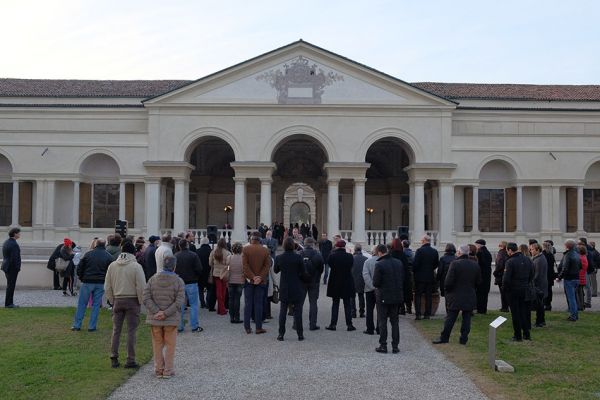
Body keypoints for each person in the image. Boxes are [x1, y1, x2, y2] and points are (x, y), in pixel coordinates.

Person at [104, 240, 146, 368]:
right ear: (133, 252)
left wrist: (112, 300)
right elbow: (141, 286)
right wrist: (140, 301)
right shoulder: (136, 266)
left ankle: (114, 357)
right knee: (131, 331)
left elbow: (107, 286)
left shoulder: (112, 265)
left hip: (117, 299)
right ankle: (130, 359)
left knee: (116, 330)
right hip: (132, 300)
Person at [143, 255, 185, 379]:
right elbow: (179, 301)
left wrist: (157, 312)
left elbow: (145, 297)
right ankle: (167, 370)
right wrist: (165, 313)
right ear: (174, 266)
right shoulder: (178, 281)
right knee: (170, 345)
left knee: (157, 344)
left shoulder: (152, 279)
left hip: (156, 318)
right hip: (170, 318)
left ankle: (158, 369)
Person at [432, 245, 481, 345]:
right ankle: (463, 339)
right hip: (469, 294)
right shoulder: (475, 264)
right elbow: (479, 281)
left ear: (459, 253)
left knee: (451, 317)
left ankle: (444, 337)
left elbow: (448, 281)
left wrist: (448, 291)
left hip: (455, 294)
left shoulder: (455, 264)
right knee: (466, 318)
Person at [72, 238, 113, 331]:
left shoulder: (88, 254)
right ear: (105, 244)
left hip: (87, 281)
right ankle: (92, 326)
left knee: (82, 303)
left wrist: (82, 278)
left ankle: (77, 325)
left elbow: (80, 268)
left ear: (96, 244)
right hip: (100, 282)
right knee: (96, 305)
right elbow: (110, 272)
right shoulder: (108, 256)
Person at [372, 244, 405, 354]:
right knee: (395, 322)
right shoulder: (398, 263)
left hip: (383, 296)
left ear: (380, 252)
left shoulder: (379, 264)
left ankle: (383, 345)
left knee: (382, 321)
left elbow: (376, 282)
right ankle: (395, 346)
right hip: (396, 296)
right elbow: (402, 278)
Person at [274, 237, 306, 341]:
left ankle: (281, 334)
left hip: (284, 287)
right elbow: (303, 272)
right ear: (293, 245)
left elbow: (276, 270)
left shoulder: (279, 257)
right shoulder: (298, 257)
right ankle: (300, 334)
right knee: (298, 312)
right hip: (296, 286)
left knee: (283, 311)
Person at [503, 242, 534, 341]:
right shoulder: (527, 259)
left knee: (515, 314)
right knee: (523, 312)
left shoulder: (510, 261)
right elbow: (532, 274)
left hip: (513, 290)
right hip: (524, 288)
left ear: (510, 250)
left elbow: (506, 279)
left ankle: (517, 335)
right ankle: (526, 334)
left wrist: (505, 289)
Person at [242, 234, 271, 334]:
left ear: (251, 240)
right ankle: (258, 327)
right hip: (261, 281)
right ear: (260, 240)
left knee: (248, 304)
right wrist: (259, 277)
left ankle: (247, 327)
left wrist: (253, 277)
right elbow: (267, 266)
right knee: (259, 304)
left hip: (249, 281)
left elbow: (244, 266)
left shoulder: (245, 249)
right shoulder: (265, 250)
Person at [326, 240, 356, 331]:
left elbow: (330, 265)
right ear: (344, 247)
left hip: (335, 281)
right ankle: (349, 324)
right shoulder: (350, 256)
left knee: (335, 304)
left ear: (337, 247)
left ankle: (333, 324)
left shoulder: (332, 256)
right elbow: (351, 266)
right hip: (346, 281)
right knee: (347, 304)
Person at [174, 239, 203, 332]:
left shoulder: (176, 256)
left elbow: (173, 269)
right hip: (191, 282)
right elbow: (199, 269)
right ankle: (194, 326)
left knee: (180, 306)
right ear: (187, 245)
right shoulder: (193, 255)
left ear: (179, 246)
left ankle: (179, 326)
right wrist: (196, 276)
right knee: (194, 305)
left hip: (180, 283)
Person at [299, 237, 324, 330]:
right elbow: (321, 268)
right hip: (314, 281)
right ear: (313, 244)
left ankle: (296, 323)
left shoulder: (300, 253)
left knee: (299, 303)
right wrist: (317, 276)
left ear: (304, 244)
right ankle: (312, 324)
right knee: (313, 303)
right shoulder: (318, 254)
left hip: (302, 281)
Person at [413, 235, 439, 320]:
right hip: (430, 276)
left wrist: (415, 271)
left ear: (424, 241)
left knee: (418, 295)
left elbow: (415, 264)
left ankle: (418, 314)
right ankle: (427, 314)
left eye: (421, 240)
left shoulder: (419, 251)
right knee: (428, 296)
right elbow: (436, 264)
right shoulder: (434, 251)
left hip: (419, 277)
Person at [557, 239, 582, 321]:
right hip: (576, 278)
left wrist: (559, 277)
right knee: (574, 298)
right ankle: (575, 314)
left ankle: (573, 316)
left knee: (571, 298)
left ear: (566, 246)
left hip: (570, 279)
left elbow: (565, 269)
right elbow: (580, 266)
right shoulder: (577, 254)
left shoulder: (568, 255)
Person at [209, 238, 231, 316]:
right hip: (224, 274)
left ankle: (220, 308)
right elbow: (229, 265)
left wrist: (215, 266)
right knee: (223, 291)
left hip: (216, 274)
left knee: (218, 291)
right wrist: (227, 270)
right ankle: (222, 309)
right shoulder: (228, 253)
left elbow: (210, 263)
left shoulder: (213, 251)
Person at [529, 242, 548, 327]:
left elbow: (537, 275)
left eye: (532, 249)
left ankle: (540, 322)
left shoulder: (539, 259)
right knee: (540, 305)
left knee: (540, 305)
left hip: (539, 286)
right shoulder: (538, 258)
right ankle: (540, 321)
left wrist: (532, 284)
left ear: (538, 250)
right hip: (540, 285)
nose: (531, 251)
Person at [2, 227, 21, 308]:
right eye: (18, 233)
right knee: (11, 286)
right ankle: (9, 304)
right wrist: (17, 267)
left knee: (9, 285)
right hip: (11, 267)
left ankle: (8, 303)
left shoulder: (6, 242)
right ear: (15, 234)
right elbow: (15, 257)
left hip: (6, 266)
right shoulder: (14, 244)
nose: (19, 234)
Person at [362, 246, 378, 335]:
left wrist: (371, 286)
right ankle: (379, 328)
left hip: (369, 289)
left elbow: (365, 275)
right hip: (380, 289)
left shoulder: (367, 262)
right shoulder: (382, 261)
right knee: (380, 310)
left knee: (369, 310)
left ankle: (370, 328)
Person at [226, 242, 245, 324]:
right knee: (237, 299)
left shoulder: (229, 257)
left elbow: (227, 269)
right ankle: (236, 317)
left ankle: (231, 317)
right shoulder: (243, 258)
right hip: (240, 280)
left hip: (230, 280)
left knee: (231, 299)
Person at [474, 239, 492, 314]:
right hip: (487, 276)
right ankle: (483, 309)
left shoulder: (479, 253)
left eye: (476, 245)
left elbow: (478, 265)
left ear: (479, 245)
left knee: (480, 294)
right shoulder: (488, 252)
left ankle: (480, 309)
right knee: (484, 294)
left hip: (481, 276)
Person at [351, 244, 368, 318]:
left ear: (355, 249)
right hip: (362, 279)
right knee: (361, 296)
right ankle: (362, 312)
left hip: (352, 279)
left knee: (352, 297)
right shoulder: (365, 258)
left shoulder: (351, 258)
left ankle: (353, 312)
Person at [196, 237, 213, 309]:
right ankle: (208, 302)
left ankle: (202, 303)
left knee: (200, 288)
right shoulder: (211, 251)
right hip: (209, 272)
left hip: (200, 273)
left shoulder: (197, 251)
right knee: (209, 288)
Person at [494, 241, 510, 312]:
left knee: (503, 292)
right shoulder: (507, 253)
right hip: (505, 274)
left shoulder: (501, 253)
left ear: (502, 246)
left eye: (499, 245)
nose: (498, 246)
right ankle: (505, 306)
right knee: (505, 292)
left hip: (500, 275)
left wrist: (495, 272)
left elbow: (500, 264)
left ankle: (504, 307)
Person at [542, 241, 557, 311]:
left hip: (546, 274)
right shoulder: (551, 254)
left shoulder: (543, 254)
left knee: (545, 290)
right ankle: (549, 304)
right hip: (550, 274)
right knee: (549, 290)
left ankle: (545, 304)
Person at [576, 244, 588, 311]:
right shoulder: (584, 257)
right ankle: (581, 305)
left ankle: (580, 306)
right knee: (580, 292)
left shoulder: (580, 258)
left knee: (579, 293)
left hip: (579, 277)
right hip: (582, 277)